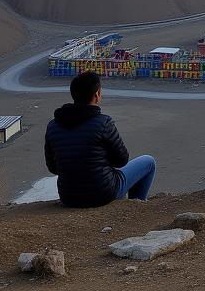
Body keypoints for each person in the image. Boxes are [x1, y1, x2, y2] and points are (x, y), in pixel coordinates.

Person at [44, 70, 156, 207]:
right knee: (149, 162)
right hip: (102, 194)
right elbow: (122, 160)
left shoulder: (53, 126)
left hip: (68, 196)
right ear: (97, 94)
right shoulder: (103, 123)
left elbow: (53, 167)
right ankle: (136, 205)